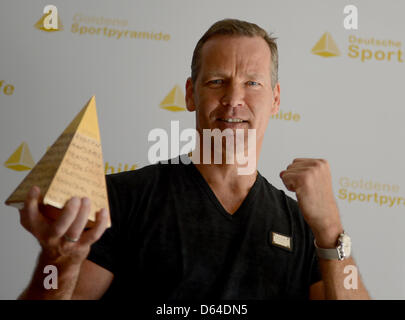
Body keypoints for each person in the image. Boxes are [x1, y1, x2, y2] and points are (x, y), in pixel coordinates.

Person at [17, 19, 369, 300]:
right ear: (190, 94)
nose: (234, 98)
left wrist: (331, 230)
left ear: (275, 99)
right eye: (217, 81)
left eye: (252, 83)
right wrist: (58, 261)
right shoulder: (121, 200)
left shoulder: (305, 226)